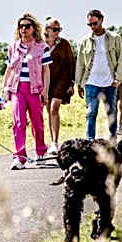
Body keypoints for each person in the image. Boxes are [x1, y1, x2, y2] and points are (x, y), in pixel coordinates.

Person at [2, 13, 51, 170]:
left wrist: (45, 91)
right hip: (17, 89)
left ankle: (41, 151)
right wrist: (4, 89)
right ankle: (20, 157)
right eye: (21, 26)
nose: (23, 29)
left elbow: (46, 71)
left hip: (35, 89)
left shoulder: (42, 47)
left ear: (33, 29)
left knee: (37, 122)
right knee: (18, 122)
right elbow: (9, 70)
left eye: (27, 26)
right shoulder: (13, 48)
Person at [75, 10, 122, 141]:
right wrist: (78, 83)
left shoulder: (115, 38)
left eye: (95, 23)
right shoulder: (85, 41)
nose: (92, 27)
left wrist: (118, 78)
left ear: (101, 20)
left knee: (111, 112)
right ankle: (89, 141)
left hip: (110, 82)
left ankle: (113, 139)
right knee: (91, 112)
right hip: (91, 82)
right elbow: (80, 63)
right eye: (89, 24)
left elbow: (120, 59)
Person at [43, 16, 75, 154]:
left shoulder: (64, 44)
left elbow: (71, 64)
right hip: (45, 81)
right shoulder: (40, 44)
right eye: (55, 29)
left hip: (62, 80)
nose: (57, 32)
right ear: (47, 29)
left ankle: (55, 142)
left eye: (59, 29)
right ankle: (52, 142)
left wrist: (71, 83)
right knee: (48, 110)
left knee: (54, 108)